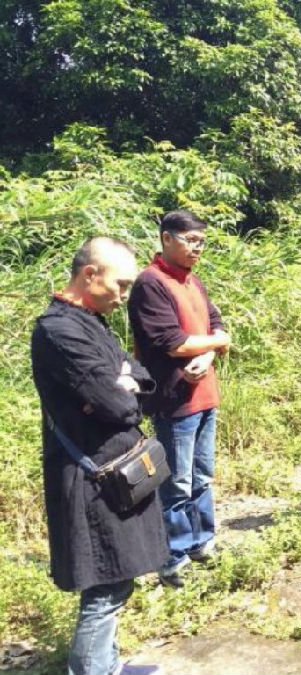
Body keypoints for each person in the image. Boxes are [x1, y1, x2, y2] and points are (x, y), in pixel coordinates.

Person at [31, 237, 167, 675]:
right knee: (105, 585)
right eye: (120, 285)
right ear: (90, 275)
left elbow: (142, 381)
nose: (124, 296)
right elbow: (118, 405)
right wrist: (119, 390)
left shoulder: (90, 322)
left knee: (118, 578)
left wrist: (126, 384)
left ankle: (106, 665)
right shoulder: (59, 330)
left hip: (115, 469)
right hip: (92, 481)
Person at [128, 210, 231, 587]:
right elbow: (172, 344)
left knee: (202, 476)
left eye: (201, 241)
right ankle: (172, 555)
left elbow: (217, 328)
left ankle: (202, 541)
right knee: (176, 481)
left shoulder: (193, 282)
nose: (197, 248)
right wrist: (212, 344)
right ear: (167, 239)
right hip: (173, 399)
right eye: (190, 240)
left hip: (205, 395)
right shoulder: (150, 284)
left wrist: (207, 351)